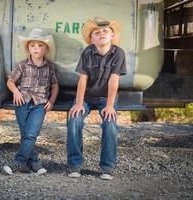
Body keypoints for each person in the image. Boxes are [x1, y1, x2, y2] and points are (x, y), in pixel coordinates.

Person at [67, 16, 127, 180]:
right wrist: (79, 103)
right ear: (91, 39)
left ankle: (107, 167)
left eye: (106, 31)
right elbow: (83, 79)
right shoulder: (87, 52)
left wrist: (110, 106)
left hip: (105, 97)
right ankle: (74, 165)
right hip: (86, 96)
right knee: (74, 119)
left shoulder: (118, 53)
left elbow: (114, 80)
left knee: (110, 123)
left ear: (112, 35)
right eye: (97, 32)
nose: (102, 33)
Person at [3, 28, 59, 175]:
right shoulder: (22, 65)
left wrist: (52, 101)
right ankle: (34, 163)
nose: (36, 48)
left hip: (40, 104)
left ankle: (18, 162)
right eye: (32, 45)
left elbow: (55, 86)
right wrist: (15, 91)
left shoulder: (50, 67)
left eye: (40, 45)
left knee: (31, 134)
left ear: (46, 49)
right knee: (26, 134)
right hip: (22, 102)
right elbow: (10, 81)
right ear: (28, 48)